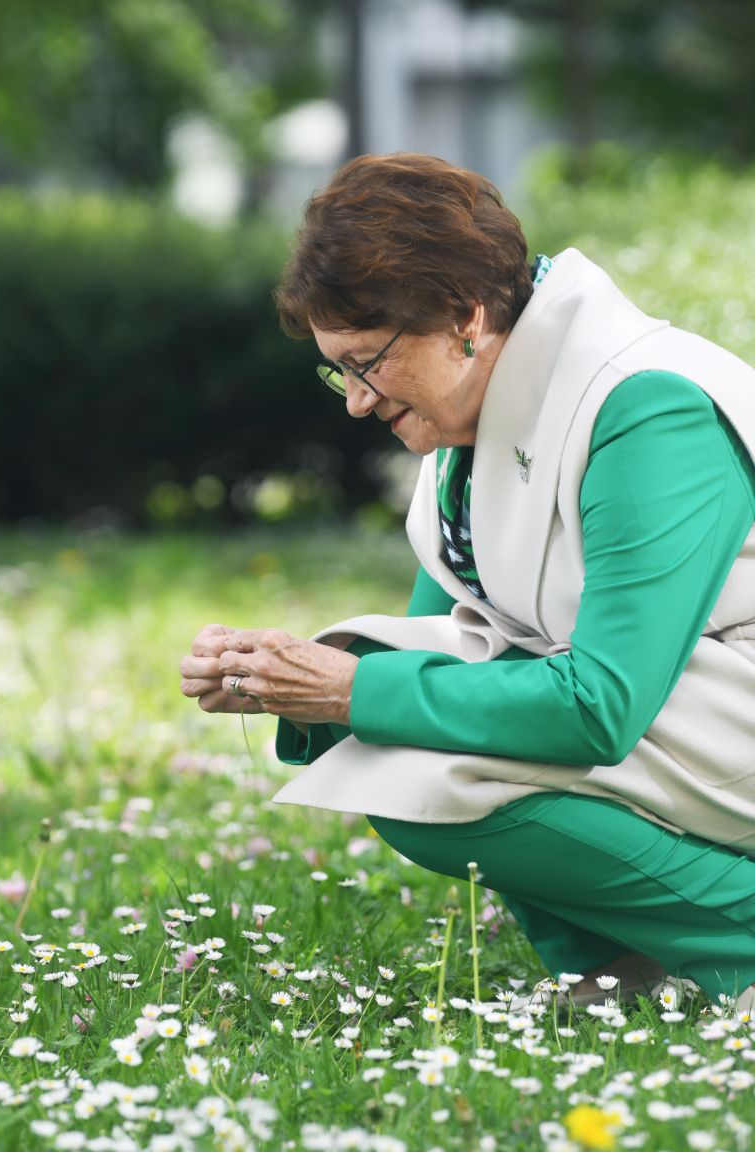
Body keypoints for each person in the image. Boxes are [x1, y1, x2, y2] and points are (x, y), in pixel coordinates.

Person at [180, 153, 755, 1012]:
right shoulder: (474, 412)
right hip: (699, 721)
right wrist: (280, 679)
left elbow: (602, 704)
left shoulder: (648, 408)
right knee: (390, 741)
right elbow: (437, 647)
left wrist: (348, 688)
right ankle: (628, 965)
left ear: (463, 316)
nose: (355, 401)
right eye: (338, 370)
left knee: (422, 773)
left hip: (718, 711)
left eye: (367, 363)